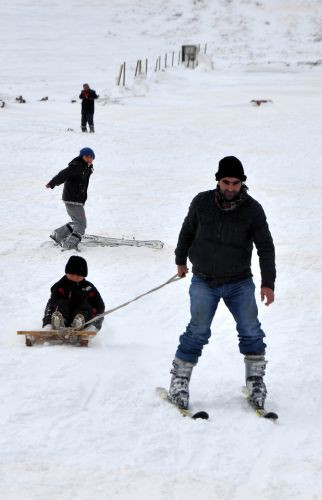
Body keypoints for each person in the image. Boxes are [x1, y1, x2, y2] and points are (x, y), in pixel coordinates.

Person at [168, 156, 276, 411]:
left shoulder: (253, 209)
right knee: (198, 330)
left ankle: (255, 380)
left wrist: (268, 282)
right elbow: (187, 231)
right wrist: (180, 260)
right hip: (204, 280)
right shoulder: (201, 202)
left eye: (235, 183)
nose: (230, 187)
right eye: (226, 182)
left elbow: (265, 247)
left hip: (239, 281)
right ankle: (179, 380)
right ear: (218, 180)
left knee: (251, 329)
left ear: (242, 183)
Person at [42, 256, 105, 338]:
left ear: (84, 275)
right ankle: (58, 322)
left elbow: (99, 307)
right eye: (72, 274)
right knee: (60, 303)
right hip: (63, 314)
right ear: (67, 272)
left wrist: (95, 324)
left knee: (85, 307)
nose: (75, 277)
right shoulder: (60, 286)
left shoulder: (89, 288)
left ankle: (78, 324)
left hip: (82, 319)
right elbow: (51, 304)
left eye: (79, 275)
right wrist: (47, 323)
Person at [46, 147, 95, 250]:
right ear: (82, 156)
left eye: (91, 157)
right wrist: (52, 183)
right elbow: (62, 175)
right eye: (87, 156)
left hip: (75, 199)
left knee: (77, 222)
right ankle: (69, 246)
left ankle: (58, 234)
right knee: (81, 224)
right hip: (73, 199)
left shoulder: (86, 168)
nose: (89, 158)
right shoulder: (76, 166)